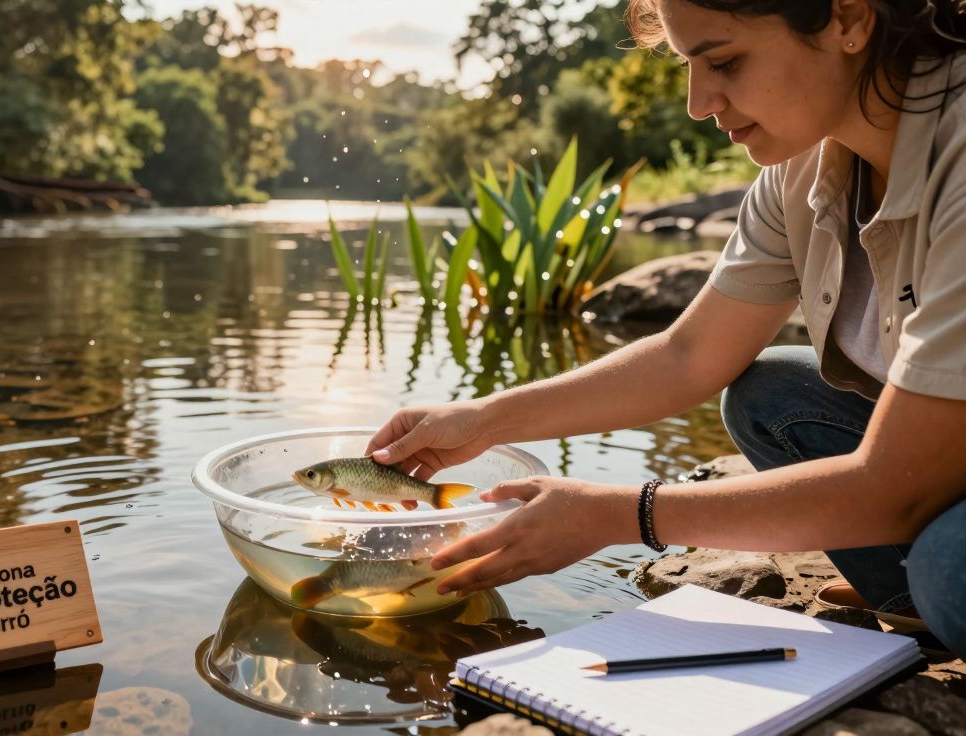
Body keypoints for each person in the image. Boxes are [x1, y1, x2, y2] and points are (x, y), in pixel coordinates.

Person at [367, 0, 966, 658]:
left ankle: (929, 586)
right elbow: (689, 356)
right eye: (688, 66)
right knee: (770, 398)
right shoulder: (806, 165)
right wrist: (480, 419)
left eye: (725, 61)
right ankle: (911, 603)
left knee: (950, 565)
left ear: (849, 20)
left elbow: (892, 483)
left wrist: (618, 514)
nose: (698, 102)